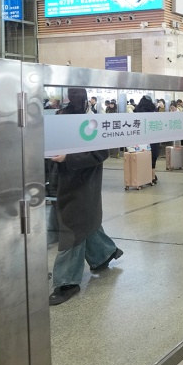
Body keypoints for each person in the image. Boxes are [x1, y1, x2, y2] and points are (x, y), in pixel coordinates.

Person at [49, 88, 123, 305]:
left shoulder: (91, 121)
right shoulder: (60, 117)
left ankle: (67, 281)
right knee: (84, 223)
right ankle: (104, 254)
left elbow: (100, 153)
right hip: (61, 181)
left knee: (72, 228)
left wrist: (68, 158)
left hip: (82, 183)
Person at [133, 96, 160, 184]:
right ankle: (152, 177)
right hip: (153, 137)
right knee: (153, 157)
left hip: (141, 138)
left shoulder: (136, 112)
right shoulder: (154, 112)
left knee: (142, 156)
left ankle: (143, 176)